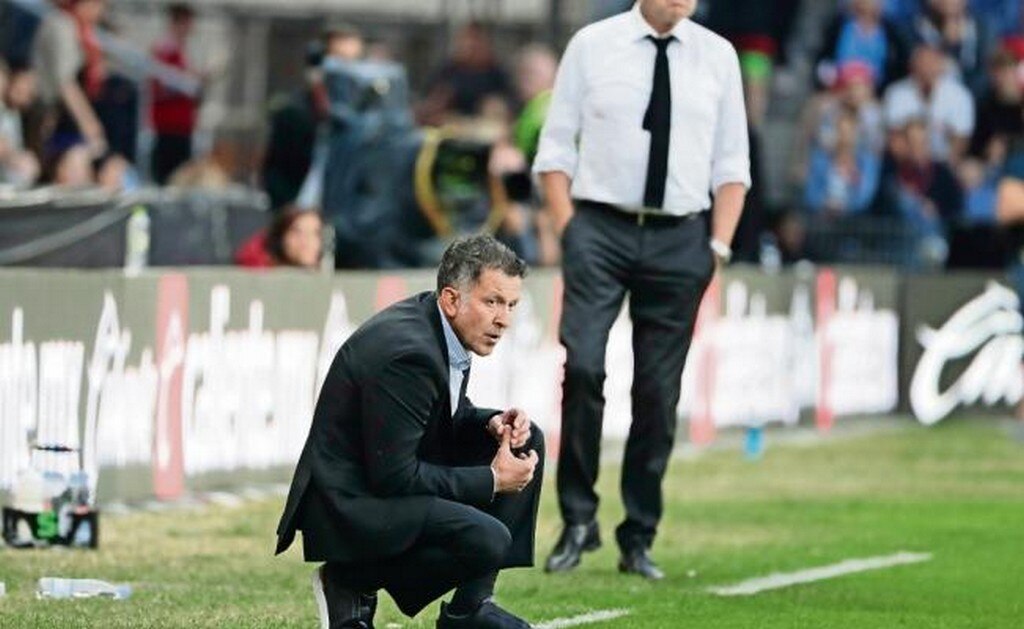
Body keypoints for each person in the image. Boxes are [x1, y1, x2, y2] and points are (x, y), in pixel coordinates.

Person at [533, 0, 749, 580]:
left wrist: (717, 248)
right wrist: (569, 228)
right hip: (599, 228)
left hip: (682, 236)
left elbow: (733, 164)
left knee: (658, 391)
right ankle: (578, 518)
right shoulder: (592, 45)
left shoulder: (718, 56)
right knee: (581, 366)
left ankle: (639, 533)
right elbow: (554, 150)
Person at [276, 236, 542, 629]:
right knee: (487, 539)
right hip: (350, 504)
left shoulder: (438, 323)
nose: (503, 319)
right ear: (452, 299)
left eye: (511, 305)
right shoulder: (409, 354)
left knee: (524, 439)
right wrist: (491, 480)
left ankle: (470, 608)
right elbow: (396, 476)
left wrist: (491, 422)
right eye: (492, 302)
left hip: (378, 482)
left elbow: (437, 411)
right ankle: (349, 579)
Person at [149, 3, 201, 184]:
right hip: (168, 129)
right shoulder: (165, 51)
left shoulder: (182, 53)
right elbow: (160, 87)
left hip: (182, 128)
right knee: (168, 179)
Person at [234, 207, 324, 269]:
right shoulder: (258, 273)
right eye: (297, 232)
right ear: (281, 237)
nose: (306, 240)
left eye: (315, 233)